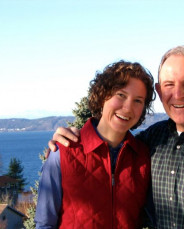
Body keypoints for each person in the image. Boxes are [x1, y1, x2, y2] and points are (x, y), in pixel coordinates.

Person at [49, 46, 184, 228]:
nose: (178, 94)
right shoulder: (152, 139)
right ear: (159, 92)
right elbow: (113, 143)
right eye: (169, 85)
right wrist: (69, 142)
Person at [35, 60, 156, 228]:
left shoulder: (143, 157)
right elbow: (45, 223)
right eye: (121, 95)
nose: (128, 107)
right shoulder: (63, 152)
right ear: (102, 96)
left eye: (138, 100)